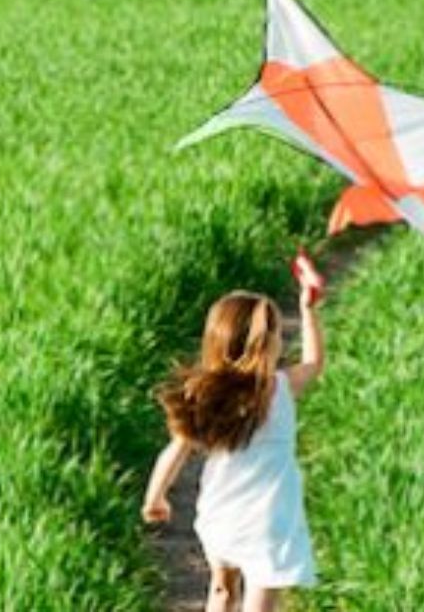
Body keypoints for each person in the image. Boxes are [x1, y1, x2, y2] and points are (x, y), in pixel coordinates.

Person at [142, 251, 325, 612]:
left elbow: (175, 452)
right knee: (261, 600)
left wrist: (155, 497)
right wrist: (308, 310)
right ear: (262, 344)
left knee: (222, 590)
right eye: (272, 334)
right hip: (271, 517)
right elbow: (314, 363)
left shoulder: (211, 397)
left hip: (222, 512)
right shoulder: (281, 388)